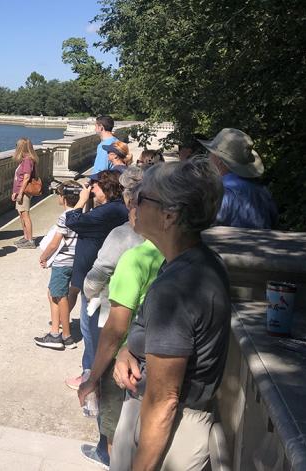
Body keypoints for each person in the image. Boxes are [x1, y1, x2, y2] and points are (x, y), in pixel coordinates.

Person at [111, 157, 231, 471]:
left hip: (167, 434)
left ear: (168, 215)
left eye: (142, 197)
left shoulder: (177, 288)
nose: (133, 203)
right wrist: (129, 350)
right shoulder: (193, 262)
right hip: (171, 423)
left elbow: (163, 400)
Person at [76, 166, 164, 468]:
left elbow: (114, 329)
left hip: (128, 345)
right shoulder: (170, 249)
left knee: (116, 418)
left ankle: (107, 455)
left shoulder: (131, 252)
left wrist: (92, 378)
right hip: (157, 346)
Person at [64, 171, 129, 391]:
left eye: (94, 186)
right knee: (94, 327)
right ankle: (92, 371)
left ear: (106, 188)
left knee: (90, 328)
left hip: (96, 280)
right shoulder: (116, 208)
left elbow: (73, 221)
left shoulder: (108, 211)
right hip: (98, 277)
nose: (90, 189)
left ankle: (90, 375)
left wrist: (80, 202)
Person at [34, 181, 81, 350]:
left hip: (62, 262)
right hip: (74, 260)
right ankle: (55, 330)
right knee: (53, 294)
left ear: (64, 198)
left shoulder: (65, 217)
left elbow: (55, 243)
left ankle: (63, 336)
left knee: (59, 296)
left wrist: (44, 256)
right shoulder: (81, 214)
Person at [201, 128, 278, 229]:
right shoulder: (263, 191)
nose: (208, 157)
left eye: (210, 152)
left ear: (219, 159)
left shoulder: (221, 193)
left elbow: (201, 227)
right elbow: (274, 221)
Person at [11, 137, 38, 249]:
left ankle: (30, 240)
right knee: (21, 214)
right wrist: (15, 192)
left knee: (25, 215)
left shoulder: (27, 160)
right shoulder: (26, 159)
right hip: (20, 191)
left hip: (24, 192)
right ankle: (26, 237)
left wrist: (20, 193)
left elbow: (26, 178)